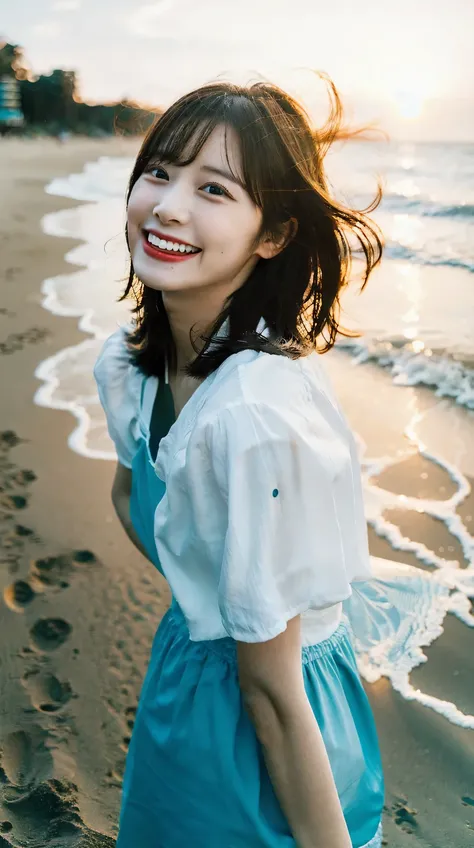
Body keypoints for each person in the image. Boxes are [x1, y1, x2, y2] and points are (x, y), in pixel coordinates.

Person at [94, 72, 385, 848]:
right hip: (193, 678)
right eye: (159, 171)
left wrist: (215, 612)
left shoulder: (253, 417)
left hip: (278, 721)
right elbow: (132, 499)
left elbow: (273, 695)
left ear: (274, 233)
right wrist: (211, 604)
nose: (168, 206)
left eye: (214, 189)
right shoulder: (133, 364)